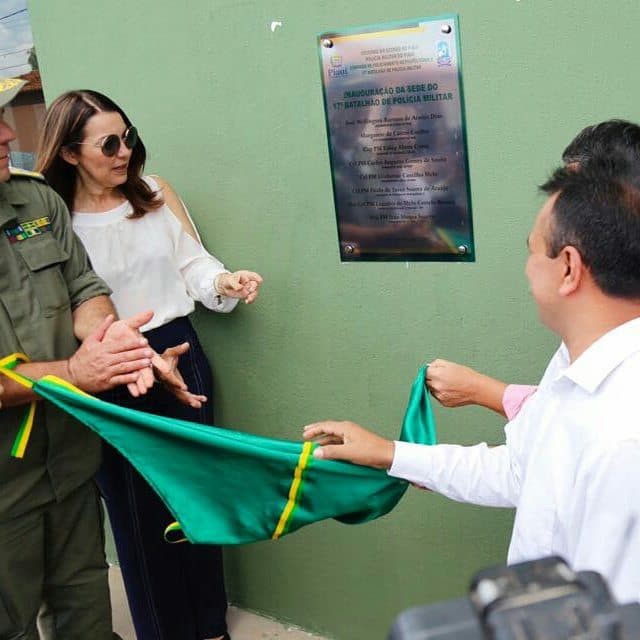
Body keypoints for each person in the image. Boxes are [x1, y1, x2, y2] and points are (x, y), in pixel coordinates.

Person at [304, 162, 640, 604]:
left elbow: (609, 615)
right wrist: (390, 453)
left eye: (532, 251)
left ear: (569, 268)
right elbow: (523, 472)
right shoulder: (572, 363)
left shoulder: (624, 439)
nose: (526, 270)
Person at [36, 89, 263, 640]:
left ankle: (211, 624)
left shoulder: (156, 193)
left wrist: (224, 282)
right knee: (138, 517)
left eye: (129, 136)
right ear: (69, 153)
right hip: (113, 365)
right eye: (108, 143)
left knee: (200, 495)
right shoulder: (52, 217)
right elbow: (56, 308)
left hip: (181, 350)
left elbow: (194, 264)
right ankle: (165, 630)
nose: (124, 151)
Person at [0, 78, 183, 639]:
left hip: (68, 461)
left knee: (84, 605)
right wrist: (76, 373)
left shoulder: (34, 198)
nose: (8, 132)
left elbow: (83, 288)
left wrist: (119, 347)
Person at [426, 119, 640, 421]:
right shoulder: (586, 339)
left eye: (577, 192)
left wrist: (481, 390)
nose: (564, 205)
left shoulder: (623, 430)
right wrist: (391, 454)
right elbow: (549, 432)